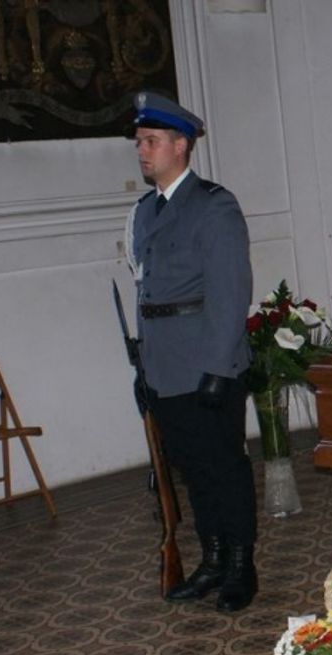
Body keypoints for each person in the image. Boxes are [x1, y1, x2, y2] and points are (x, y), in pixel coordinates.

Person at [128, 92, 258, 612]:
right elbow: (146, 292)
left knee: (224, 467)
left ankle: (242, 566)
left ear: (180, 146)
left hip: (207, 362)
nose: (142, 151)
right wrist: (143, 364)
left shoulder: (213, 205)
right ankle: (212, 559)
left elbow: (231, 293)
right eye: (139, 142)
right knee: (192, 471)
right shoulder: (144, 212)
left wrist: (218, 368)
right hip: (164, 365)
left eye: (151, 141)